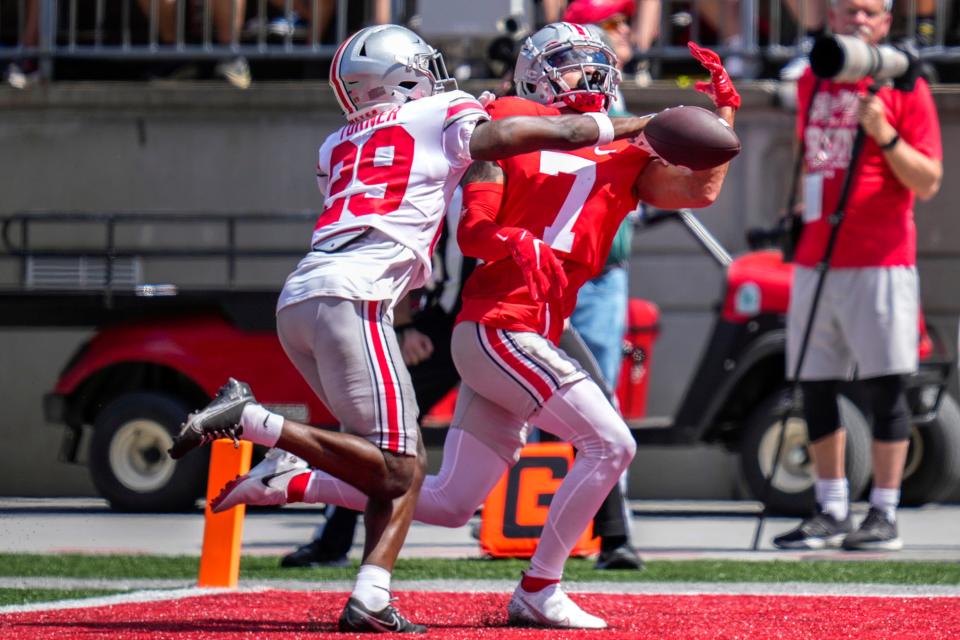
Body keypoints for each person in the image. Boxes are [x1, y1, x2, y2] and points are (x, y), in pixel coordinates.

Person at [204, 23, 737, 629]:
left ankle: (296, 482)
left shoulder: (628, 147)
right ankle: (539, 588)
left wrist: (724, 111)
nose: (582, 73)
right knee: (611, 443)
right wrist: (518, 242)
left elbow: (700, 190)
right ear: (534, 73)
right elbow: (475, 229)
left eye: (591, 62)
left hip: (534, 326)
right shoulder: (505, 116)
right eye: (566, 63)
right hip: (499, 324)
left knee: (448, 502)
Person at [772, 0, 942, 552]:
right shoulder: (813, 80)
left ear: (886, 23)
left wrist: (885, 134)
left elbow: (929, 179)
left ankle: (884, 513)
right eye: (848, 11)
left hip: (881, 256)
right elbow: (808, 155)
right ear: (832, 19)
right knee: (816, 384)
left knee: (885, 383)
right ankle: (831, 507)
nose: (858, 21)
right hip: (819, 256)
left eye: (869, 12)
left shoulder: (906, 86)